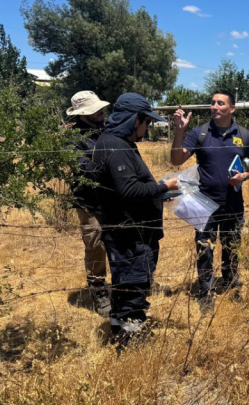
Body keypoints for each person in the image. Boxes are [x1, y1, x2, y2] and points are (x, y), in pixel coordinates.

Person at [91, 93, 179, 347]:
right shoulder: (116, 147)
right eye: (146, 122)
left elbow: (130, 188)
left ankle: (120, 334)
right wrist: (163, 187)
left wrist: (159, 193)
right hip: (129, 237)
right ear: (134, 120)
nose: (147, 128)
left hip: (133, 233)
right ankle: (131, 343)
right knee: (133, 290)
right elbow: (129, 191)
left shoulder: (118, 143)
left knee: (127, 288)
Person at [170, 90, 249, 312]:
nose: (215, 107)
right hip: (204, 204)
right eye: (213, 103)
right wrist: (179, 131)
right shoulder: (199, 133)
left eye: (220, 103)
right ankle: (206, 291)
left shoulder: (244, 135)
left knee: (232, 247)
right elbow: (176, 159)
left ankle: (231, 285)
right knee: (204, 250)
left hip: (233, 204)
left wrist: (244, 175)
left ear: (232, 108)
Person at [66, 90, 111, 316]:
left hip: (112, 197)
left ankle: (123, 283)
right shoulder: (72, 139)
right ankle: (98, 288)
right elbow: (85, 168)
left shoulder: (105, 129)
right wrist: (113, 167)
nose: (101, 111)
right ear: (83, 114)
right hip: (89, 201)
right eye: (95, 109)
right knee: (96, 244)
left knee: (117, 239)